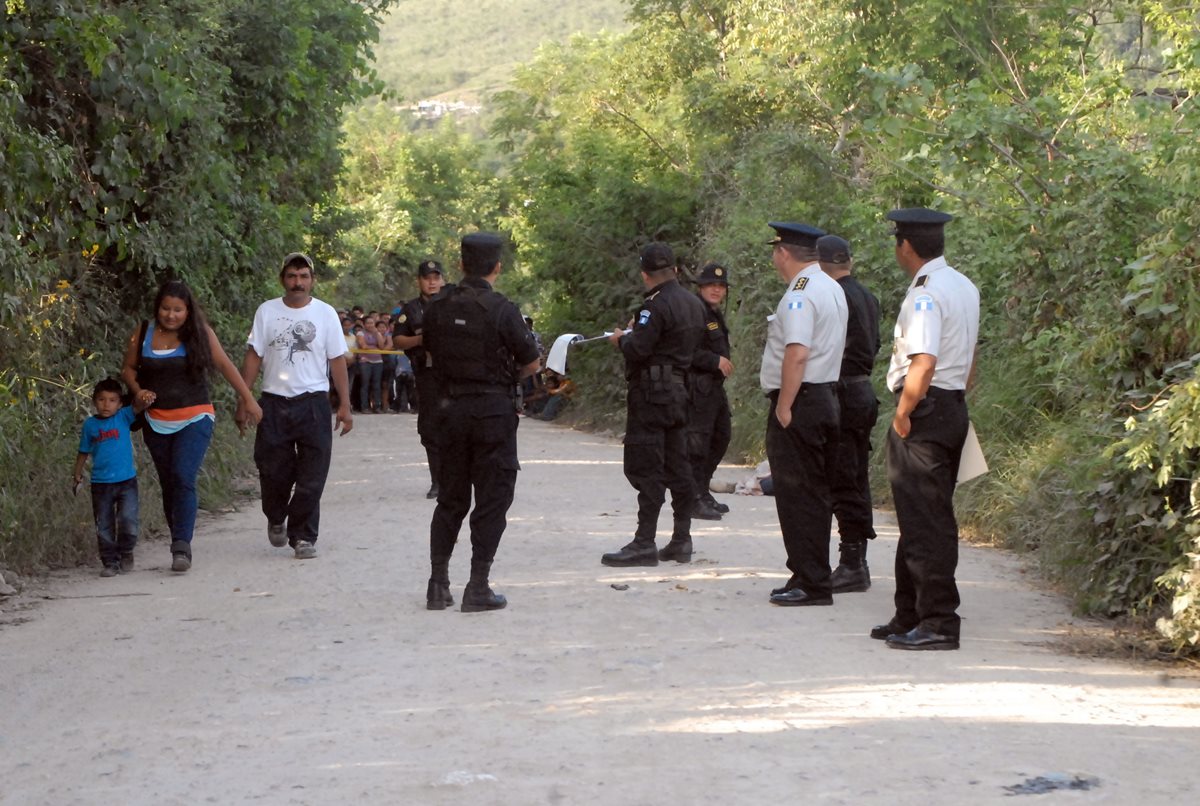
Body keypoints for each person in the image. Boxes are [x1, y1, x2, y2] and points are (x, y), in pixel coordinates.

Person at [871, 208, 979, 650]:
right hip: (951, 405)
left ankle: (938, 620)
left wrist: (904, 412)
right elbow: (969, 359)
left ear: (906, 247)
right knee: (920, 515)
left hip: (925, 410)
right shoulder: (963, 285)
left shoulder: (925, 294)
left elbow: (924, 360)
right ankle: (909, 612)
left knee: (927, 520)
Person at [423, 233, 540, 611]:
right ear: (497, 267)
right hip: (492, 414)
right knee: (492, 500)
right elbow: (531, 361)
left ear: (460, 265)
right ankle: (477, 586)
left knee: (450, 500)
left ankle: (438, 584)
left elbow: (430, 350)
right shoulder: (503, 310)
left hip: (448, 412)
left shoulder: (437, 307)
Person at [121, 280, 263, 573]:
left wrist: (248, 400)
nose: (170, 315)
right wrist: (137, 391)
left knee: (183, 475)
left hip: (195, 417)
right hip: (156, 420)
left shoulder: (200, 334)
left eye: (177, 310)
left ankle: (181, 546)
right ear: (157, 307)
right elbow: (128, 368)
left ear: (188, 311)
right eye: (165, 308)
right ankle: (178, 537)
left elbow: (225, 366)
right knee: (168, 481)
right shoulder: (143, 332)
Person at [236, 252, 353, 561]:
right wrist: (244, 399)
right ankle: (276, 516)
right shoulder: (267, 312)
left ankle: (302, 536)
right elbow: (254, 356)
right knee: (272, 470)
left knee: (313, 474)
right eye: (292, 276)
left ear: (312, 280)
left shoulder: (325, 314)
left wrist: (345, 404)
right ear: (282, 280)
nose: (297, 282)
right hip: (273, 403)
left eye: (303, 276)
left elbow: (337, 360)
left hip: (314, 402)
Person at [601, 242, 707, 567]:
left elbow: (640, 350)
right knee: (679, 465)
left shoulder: (653, 306)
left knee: (647, 464)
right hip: (680, 391)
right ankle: (681, 539)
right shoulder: (694, 303)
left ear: (645, 275)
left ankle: (644, 542)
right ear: (674, 270)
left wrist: (623, 338)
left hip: (651, 394)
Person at [760, 222, 848, 607]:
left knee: (798, 494)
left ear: (783, 252)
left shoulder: (799, 293)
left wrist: (784, 405)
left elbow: (797, 352)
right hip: (826, 396)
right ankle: (808, 572)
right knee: (815, 491)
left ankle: (811, 581)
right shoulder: (832, 286)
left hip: (801, 401)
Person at [816, 234, 882, 593]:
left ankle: (852, 561)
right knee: (853, 474)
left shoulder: (835, 295)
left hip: (841, 390)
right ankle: (855, 559)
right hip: (861, 388)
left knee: (843, 478)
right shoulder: (867, 296)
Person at [73, 378, 155, 576]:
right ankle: (110, 562)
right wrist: (77, 474)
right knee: (104, 525)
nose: (106, 404)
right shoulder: (90, 425)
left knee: (128, 519)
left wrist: (146, 397)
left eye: (112, 400)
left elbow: (138, 405)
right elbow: (83, 451)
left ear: (120, 404)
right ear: (94, 401)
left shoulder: (123, 417)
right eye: (101, 399)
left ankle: (126, 551)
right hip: (101, 484)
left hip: (126, 481)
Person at [393, 259, 448, 498]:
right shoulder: (411, 310)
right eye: (427, 278)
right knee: (430, 428)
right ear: (419, 281)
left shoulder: (455, 304)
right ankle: (437, 481)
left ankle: (459, 480)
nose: (432, 281)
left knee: (460, 427)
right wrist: (421, 340)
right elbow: (398, 339)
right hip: (427, 376)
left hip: (456, 376)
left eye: (436, 277)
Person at [688, 261, 734, 521]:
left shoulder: (713, 313)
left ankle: (703, 490)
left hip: (713, 388)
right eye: (711, 285)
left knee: (720, 437)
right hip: (697, 387)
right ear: (701, 287)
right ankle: (693, 497)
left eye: (721, 286)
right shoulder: (694, 311)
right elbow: (684, 350)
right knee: (697, 444)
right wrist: (713, 361)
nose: (716, 290)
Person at [356, 312, 385, 413]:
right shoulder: (360, 333)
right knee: (365, 384)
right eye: (368, 323)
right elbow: (363, 346)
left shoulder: (377, 333)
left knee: (377, 385)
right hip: (365, 361)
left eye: (372, 323)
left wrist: (377, 333)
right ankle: (364, 406)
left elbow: (381, 346)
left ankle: (377, 406)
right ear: (364, 324)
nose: (370, 325)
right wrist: (373, 347)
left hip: (378, 361)